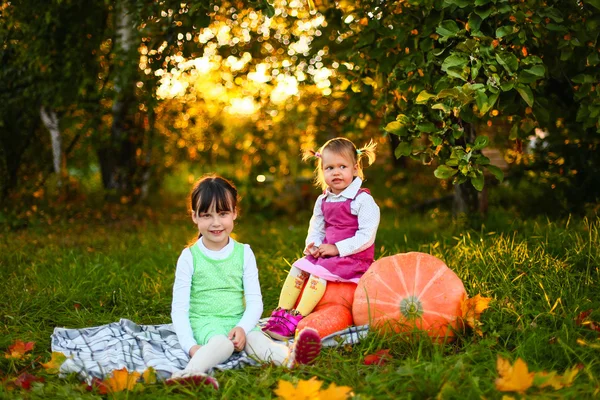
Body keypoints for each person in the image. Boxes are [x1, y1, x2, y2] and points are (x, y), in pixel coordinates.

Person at [170, 175, 321, 387]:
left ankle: (291, 360)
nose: (215, 223)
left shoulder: (244, 253)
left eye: (222, 213)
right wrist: (191, 347)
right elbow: (179, 309)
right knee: (222, 343)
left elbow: (254, 302)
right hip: (205, 321)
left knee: (257, 340)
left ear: (234, 213)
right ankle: (189, 373)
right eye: (206, 215)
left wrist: (242, 327)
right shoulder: (190, 257)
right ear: (195, 217)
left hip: (238, 318)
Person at [263, 137, 380, 340]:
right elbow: (316, 228)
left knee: (319, 274)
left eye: (342, 166)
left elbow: (366, 236)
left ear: (355, 168)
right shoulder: (323, 199)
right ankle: (281, 312)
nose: (336, 172)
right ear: (322, 171)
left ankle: (298, 317)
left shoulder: (362, 200)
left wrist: (337, 248)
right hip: (328, 253)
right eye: (329, 167)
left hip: (352, 256)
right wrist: (314, 245)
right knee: (298, 267)